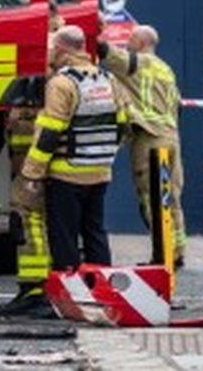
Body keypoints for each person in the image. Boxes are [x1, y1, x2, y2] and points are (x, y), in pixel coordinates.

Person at [19, 26, 128, 273]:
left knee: (64, 234)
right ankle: (103, 286)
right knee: (95, 232)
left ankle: (71, 289)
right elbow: (122, 124)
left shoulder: (61, 83)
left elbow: (49, 133)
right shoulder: (108, 79)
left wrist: (32, 173)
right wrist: (104, 153)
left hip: (66, 173)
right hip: (99, 172)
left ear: (60, 49)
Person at [0, 11, 65, 318]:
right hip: (37, 160)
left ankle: (35, 289)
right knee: (38, 219)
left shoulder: (44, 53)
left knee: (29, 218)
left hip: (31, 163)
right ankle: (38, 287)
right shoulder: (59, 53)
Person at [99, 25, 185, 266]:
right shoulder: (166, 69)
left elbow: (109, 54)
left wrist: (91, 36)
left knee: (152, 199)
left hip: (150, 140)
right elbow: (178, 105)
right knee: (172, 199)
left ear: (142, 42)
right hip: (171, 137)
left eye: (131, 39)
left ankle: (162, 256)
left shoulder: (138, 64)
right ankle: (177, 251)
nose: (128, 43)